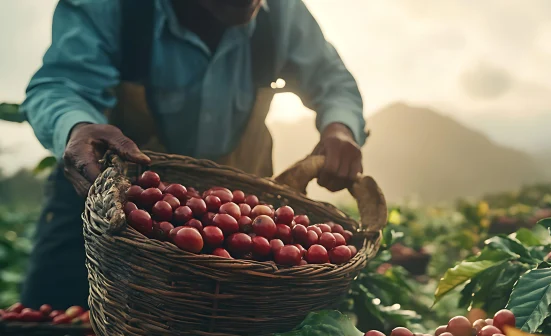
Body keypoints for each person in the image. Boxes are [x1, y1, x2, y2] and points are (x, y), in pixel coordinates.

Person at [20, 0, 367, 310]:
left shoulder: (284, 12)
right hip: (107, 197)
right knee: (54, 318)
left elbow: (333, 80)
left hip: (241, 209)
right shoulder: (113, 7)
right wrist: (76, 126)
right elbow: (60, 83)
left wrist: (339, 128)